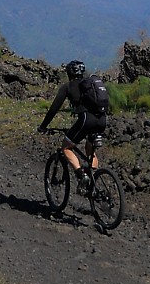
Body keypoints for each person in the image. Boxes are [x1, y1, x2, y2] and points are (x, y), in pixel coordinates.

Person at [38, 59, 108, 192]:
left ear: (69, 73)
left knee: (66, 147)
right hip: (102, 120)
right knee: (90, 147)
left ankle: (82, 175)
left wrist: (43, 126)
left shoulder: (68, 86)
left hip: (86, 120)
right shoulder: (90, 85)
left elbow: (54, 109)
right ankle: (92, 179)